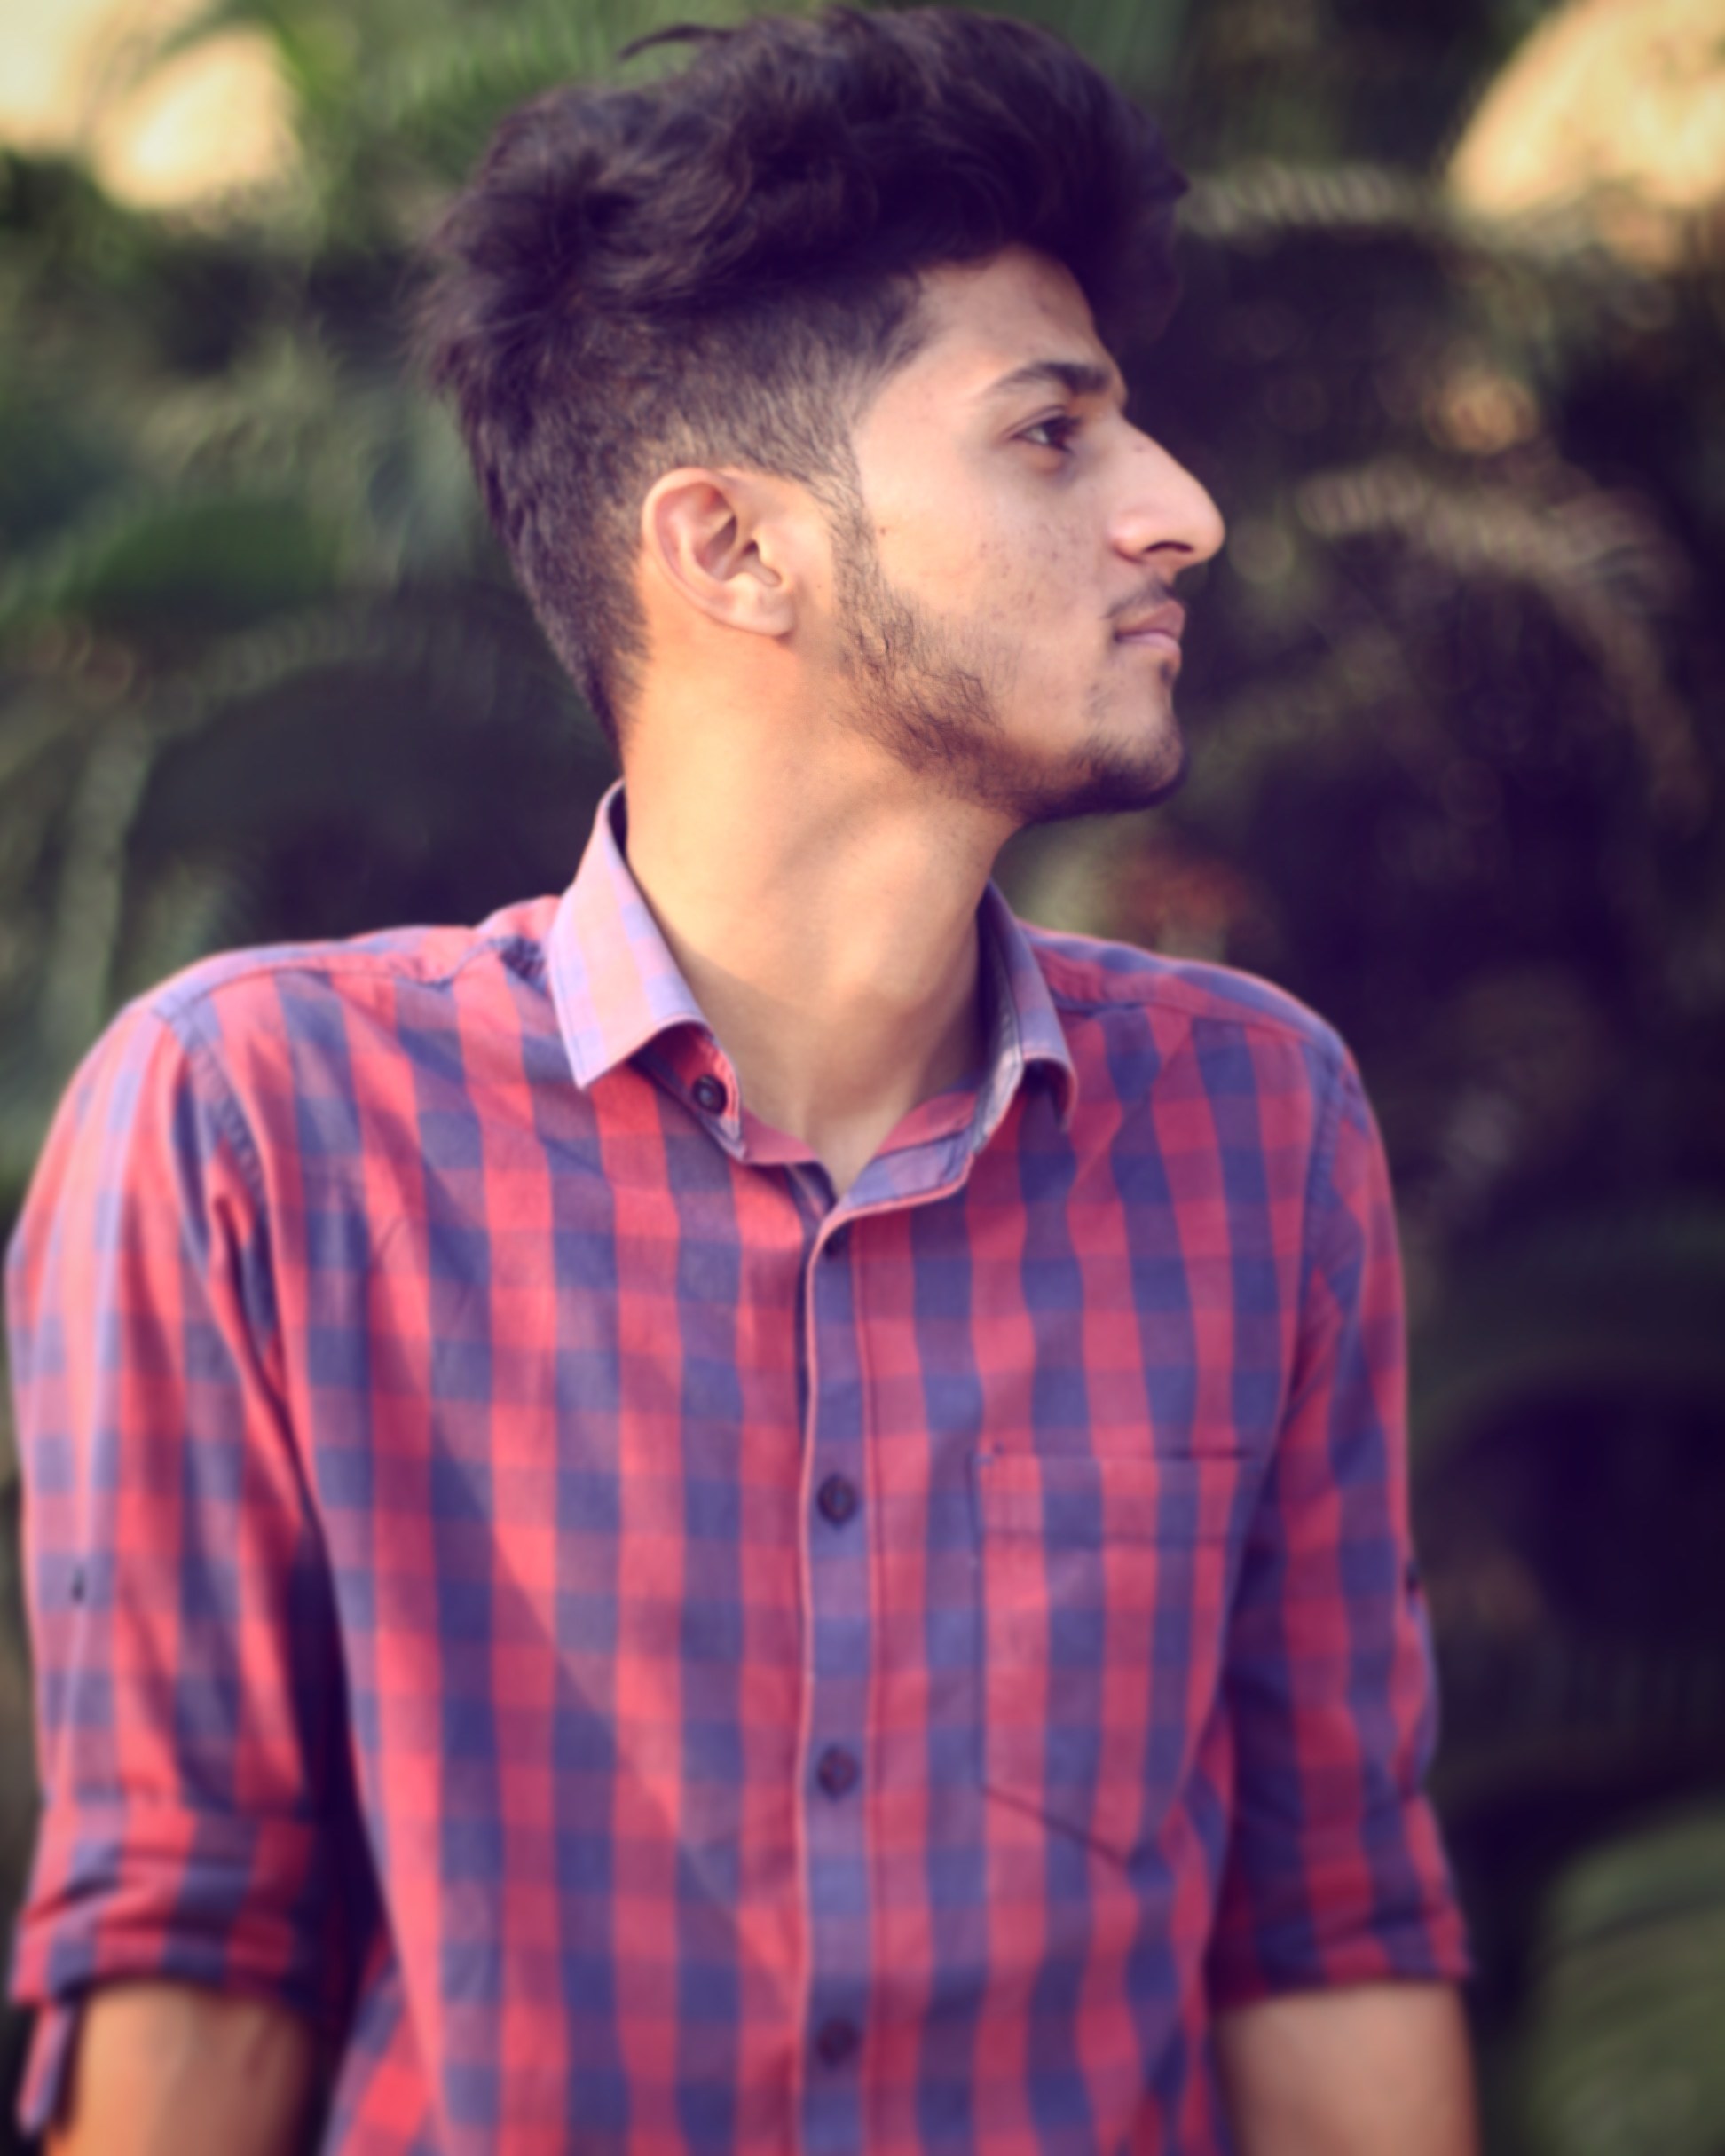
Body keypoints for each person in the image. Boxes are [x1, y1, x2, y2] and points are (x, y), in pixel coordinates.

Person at [5, 9, 1475, 2151]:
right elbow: (199, 1978)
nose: (1183, 513)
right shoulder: (253, 1125)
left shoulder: (1259, 1131)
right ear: (731, 548)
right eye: (1051, 436)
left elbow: (1326, 1931)